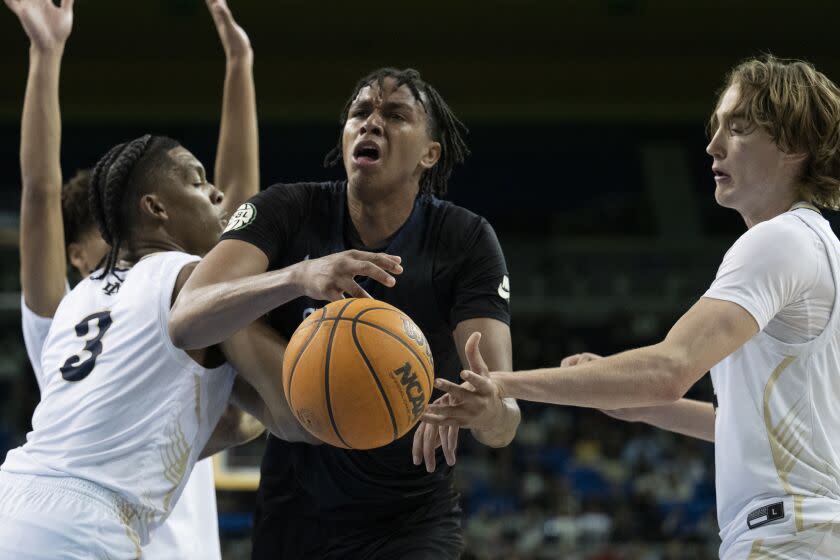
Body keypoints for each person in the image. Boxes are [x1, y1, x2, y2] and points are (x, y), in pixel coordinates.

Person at [424, 55, 840, 559]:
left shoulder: (776, 242)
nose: (713, 144)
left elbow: (669, 367)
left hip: (787, 536)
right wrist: (634, 401)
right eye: (716, 127)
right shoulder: (820, 246)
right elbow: (736, 424)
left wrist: (504, 384)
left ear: (792, 145)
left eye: (739, 127)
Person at [168, 68, 521, 559]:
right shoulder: (288, 209)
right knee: (221, 293)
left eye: (395, 115)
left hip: (409, 523)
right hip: (294, 514)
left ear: (429, 153)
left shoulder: (464, 240)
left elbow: (505, 417)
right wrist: (297, 276)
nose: (371, 123)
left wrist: (485, 411)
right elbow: (185, 318)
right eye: (361, 112)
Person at [5, 0, 262, 557]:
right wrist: (45, 55)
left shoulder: (173, 294)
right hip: (93, 534)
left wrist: (239, 66)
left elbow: (233, 214)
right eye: (107, 231)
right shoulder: (65, 317)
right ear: (75, 256)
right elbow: (39, 192)